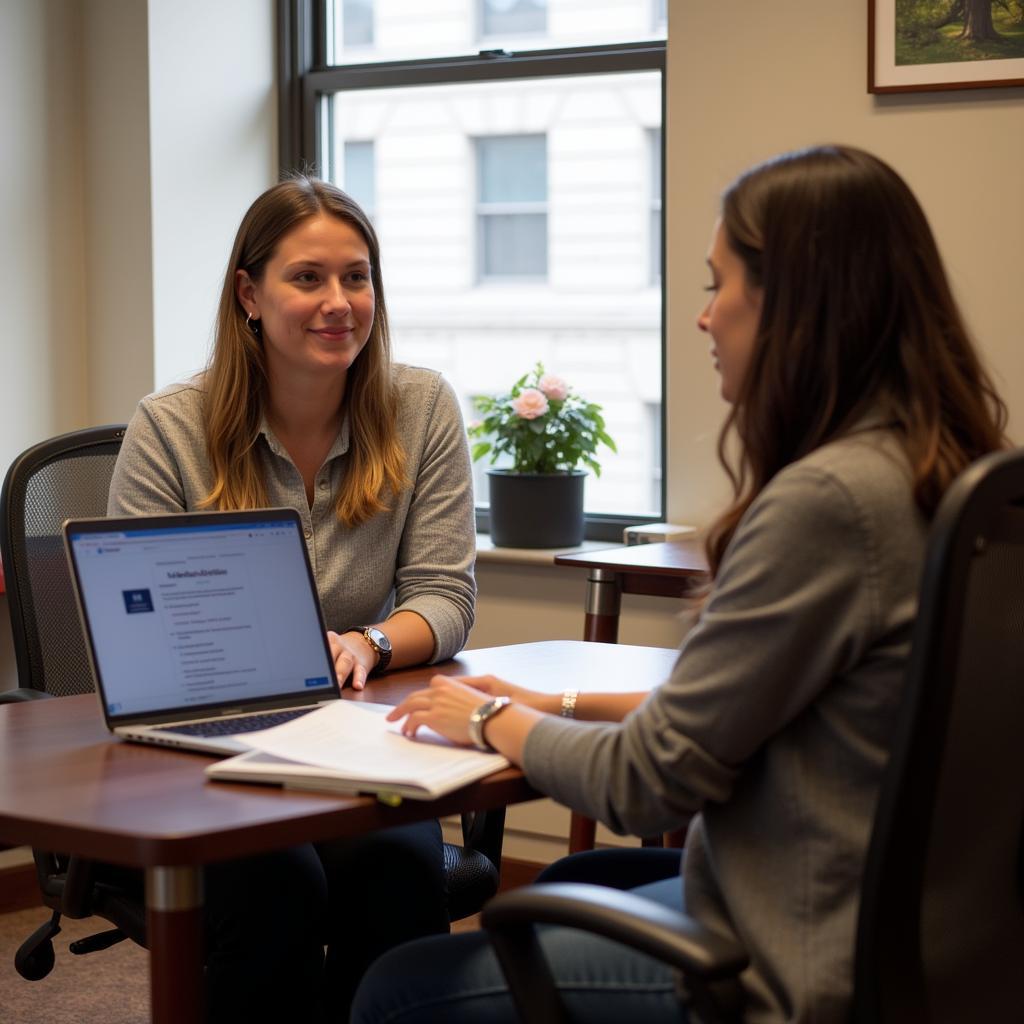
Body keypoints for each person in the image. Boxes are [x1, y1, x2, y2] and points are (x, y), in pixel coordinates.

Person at [349, 144, 1008, 1024]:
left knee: (401, 987)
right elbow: (751, 717)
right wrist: (560, 704)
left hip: (800, 964)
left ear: (798, 306)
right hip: (946, 944)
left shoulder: (830, 503)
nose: (704, 318)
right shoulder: (956, 478)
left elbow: (648, 785)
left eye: (717, 284)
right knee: (583, 880)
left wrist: (485, 718)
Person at [106, 175, 477, 1021]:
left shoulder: (420, 408)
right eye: (308, 277)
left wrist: (370, 643)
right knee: (277, 883)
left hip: (352, 741)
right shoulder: (171, 428)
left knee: (400, 869)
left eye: (357, 276)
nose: (338, 302)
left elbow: (444, 593)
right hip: (206, 747)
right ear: (249, 293)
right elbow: (140, 622)